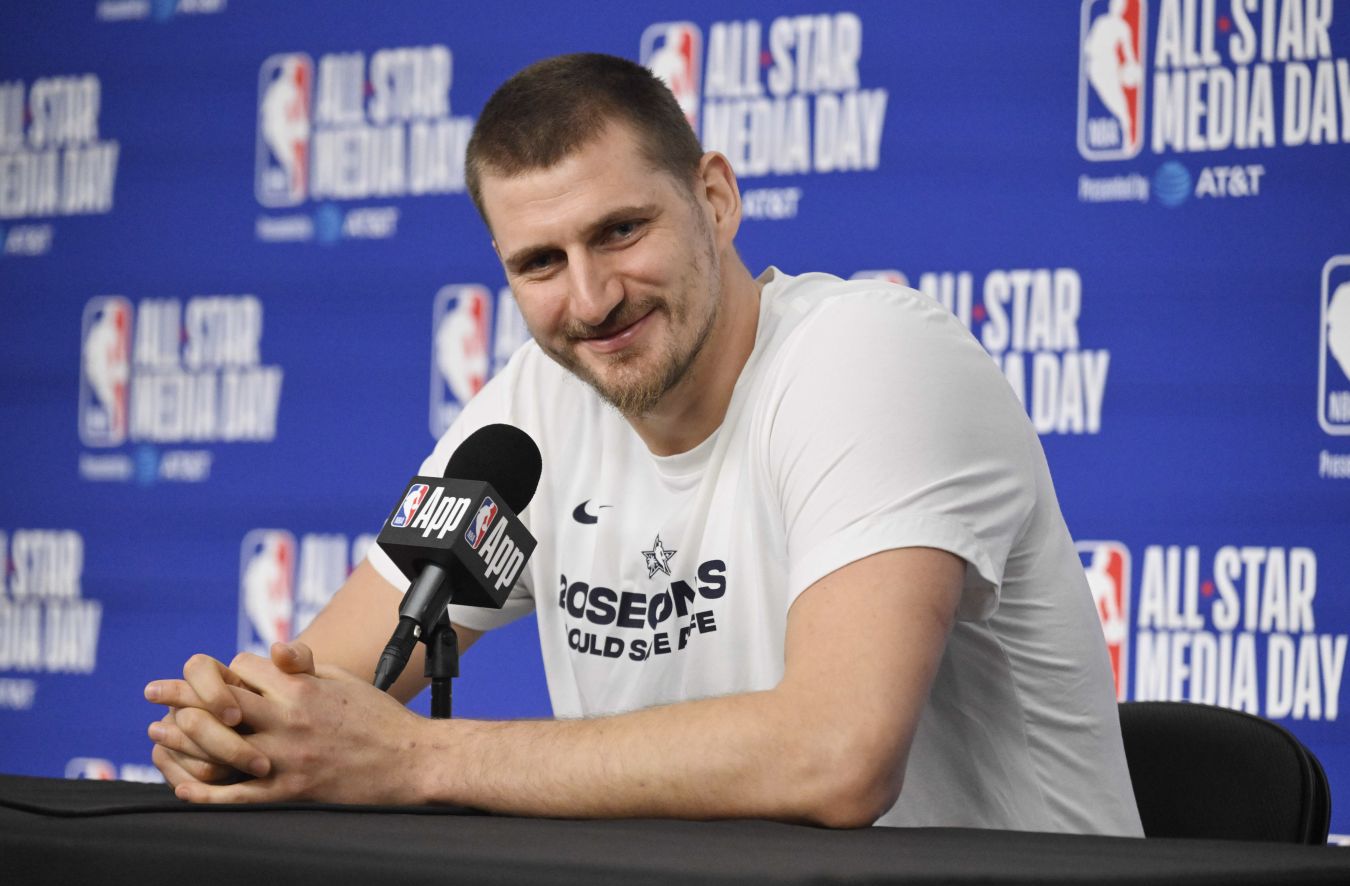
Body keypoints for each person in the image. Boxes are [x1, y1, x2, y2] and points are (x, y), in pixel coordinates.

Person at [146, 53, 1142, 834]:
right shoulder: (536, 406)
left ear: (716, 198)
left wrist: (418, 759)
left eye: (620, 231)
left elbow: (839, 757)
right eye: (541, 262)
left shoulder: (869, 357)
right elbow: (319, 689)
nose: (590, 300)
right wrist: (232, 727)